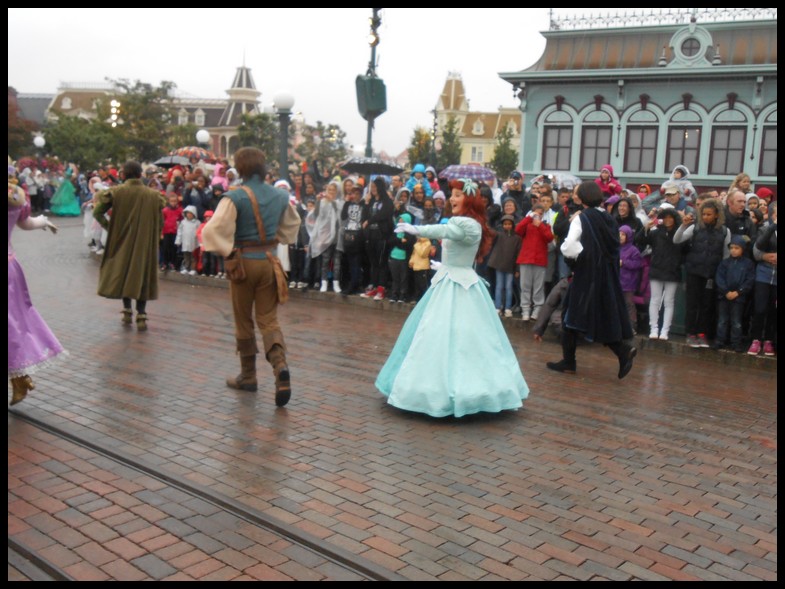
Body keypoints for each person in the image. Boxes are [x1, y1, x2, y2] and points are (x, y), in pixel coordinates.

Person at [377, 178, 528, 417]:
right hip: (450, 279)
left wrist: (417, 229)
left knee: (462, 338)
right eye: (452, 194)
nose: (452, 199)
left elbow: (446, 230)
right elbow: (454, 244)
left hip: (461, 286)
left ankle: (465, 392)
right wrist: (442, 264)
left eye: (457, 195)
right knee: (436, 334)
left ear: (468, 199)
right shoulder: (468, 223)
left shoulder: (468, 223)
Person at [202, 147, 301, 407]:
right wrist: (274, 239)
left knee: (243, 320)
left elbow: (213, 230)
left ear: (241, 168)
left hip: (244, 264)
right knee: (268, 319)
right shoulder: (280, 195)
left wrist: (226, 249)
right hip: (270, 261)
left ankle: (248, 376)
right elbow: (292, 226)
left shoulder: (235, 197)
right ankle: (280, 366)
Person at [546, 181, 637, 379]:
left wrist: (576, 260)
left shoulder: (582, 218)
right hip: (607, 274)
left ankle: (571, 361)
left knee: (570, 314)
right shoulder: (608, 217)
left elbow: (569, 246)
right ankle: (621, 351)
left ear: (582, 197)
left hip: (587, 274)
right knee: (599, 314)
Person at [8, 182, 65, 405]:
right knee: (14, 323)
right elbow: (26, 223)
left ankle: (20, 378)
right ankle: (19, 378)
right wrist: (44, 221)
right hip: (10, 267)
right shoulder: (15, 196)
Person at [94, 161, 167, 331]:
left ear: (123, 174)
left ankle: (127, 310)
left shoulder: (117, 192)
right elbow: (160, 221)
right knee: (141, 274)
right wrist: (155, 237)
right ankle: (141, 314)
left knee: (123, 271)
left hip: (121, 238)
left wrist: (110, 227)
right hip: (144, 241)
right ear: (140, 174)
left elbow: (98, 212)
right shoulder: (153, 195)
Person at [673, 199, 730, 348]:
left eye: (709, 214)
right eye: (703, 214)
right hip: (694, 271)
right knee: (692, 304)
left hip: (711, 273)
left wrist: (720, 272)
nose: (705, 217)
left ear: (717, 215)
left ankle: (702, 334)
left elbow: (726, 255)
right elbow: (677, 239)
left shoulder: (724, 231)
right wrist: (684, 225)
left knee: (706, 305)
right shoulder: (695, 228)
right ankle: (691, 333)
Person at [636, 206, 686, 341]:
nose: (668, 220)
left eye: (670, 217)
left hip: (672, 271)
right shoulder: (656, 233)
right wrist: (645, 228)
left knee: (669, 301)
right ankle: (654, 328)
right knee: (655, 300)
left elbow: (685, 251)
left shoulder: (679, 234)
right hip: (657, 269)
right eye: (665, 217)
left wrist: (678, 262)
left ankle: (665, 330)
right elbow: (639, 240)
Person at [713, 235, 756, 353]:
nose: (733, 250)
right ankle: (720, 340)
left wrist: (739, 292)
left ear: (742, 249)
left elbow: (749, 280)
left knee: (736, 321)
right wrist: (726, 291)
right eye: (731, 248)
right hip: (724, 296)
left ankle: (736, 342)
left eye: (737, 248)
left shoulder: (748, 264)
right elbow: (719, 278)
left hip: (739, 297)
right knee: (722, 320)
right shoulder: (724, 263)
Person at [515, 203, 554, 321]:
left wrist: (540, 225)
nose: (538, 216)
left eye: (541, 214)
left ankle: (537, 309)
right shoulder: (527, 225)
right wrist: (529, 218)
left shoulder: (545, 226)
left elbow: (549, 238)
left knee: (538, 287)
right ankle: (525, 309)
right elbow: (517, 229)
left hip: (540, 260)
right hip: (526, 259)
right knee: (525, 286)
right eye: (536, 214)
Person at [747, 201, 777, 356]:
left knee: (773, 310)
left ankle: (769, 341)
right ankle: (756, 339)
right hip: (764, 275)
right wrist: (766, 256)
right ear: (772, 215)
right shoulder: (765, 229)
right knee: (759, 308)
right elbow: (757, 251)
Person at [360, 176, 395, 301]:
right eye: (372, 187)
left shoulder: (387, 201)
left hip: (382, 236)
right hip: (371, 235)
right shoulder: (371, 201)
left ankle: (382, 288)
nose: (373, 189)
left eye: (375, 187)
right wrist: (366, 203)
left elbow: (384, 214)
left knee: (382, 262)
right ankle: (373, 286)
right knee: (373, 262)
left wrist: (369, 221)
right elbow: (363, 216)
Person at [306, 180, 343, 293]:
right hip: (326, 237)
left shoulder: (340, 202)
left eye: (334, 190)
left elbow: (339, 215)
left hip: (337, 237)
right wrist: (318, 201)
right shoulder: (322, 202)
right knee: (325, 261)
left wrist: (332, 201)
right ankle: (324, 282)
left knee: (337, 262)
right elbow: (317, 215)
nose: (331, 192)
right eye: (329, 190)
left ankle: (336, 283)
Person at [487, 214, 521, 317]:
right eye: (505, 224)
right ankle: (498, 307)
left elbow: (518, 254)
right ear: (502, 225)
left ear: (513, 225)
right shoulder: (499, 235)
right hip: (499, 266)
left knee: (508, 287)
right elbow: (491, 233)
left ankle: (507, 308)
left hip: (511, 267)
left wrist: (517, 269)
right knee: (499, 287)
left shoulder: (517, 238)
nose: (507, 226)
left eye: (509, 224)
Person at [618, 225, 644, 334]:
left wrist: (624, 263)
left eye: (623, 234)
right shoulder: (615, 248)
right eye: (619, 234)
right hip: (617, 281)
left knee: (629, 304)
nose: (620, 236)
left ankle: (632, 326)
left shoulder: (633, 250)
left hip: (629, 282)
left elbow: (638, 264)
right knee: (617, 304)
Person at [160, 192, 183, 272]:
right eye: (171, 201)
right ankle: (165, 263)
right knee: (166, 248)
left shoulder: (180, 210)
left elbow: (181, 220)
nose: (173, 203)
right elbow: (162, 222)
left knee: (174, 248)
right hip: (166, 231)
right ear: (168, 202)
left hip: (175, 231)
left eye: (175, 201)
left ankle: (173, 263)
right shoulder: (165, 210)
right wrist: (161, 233)